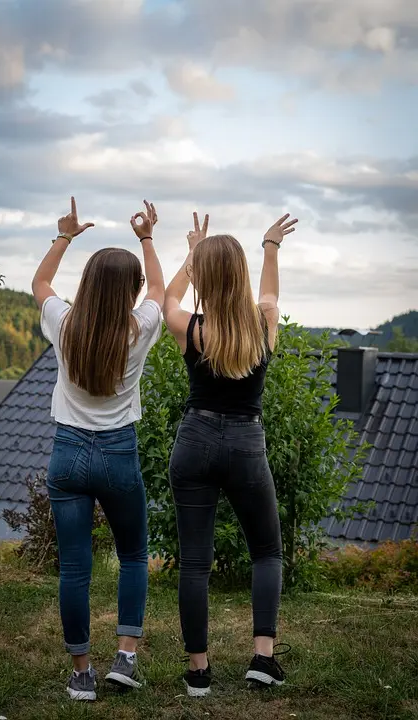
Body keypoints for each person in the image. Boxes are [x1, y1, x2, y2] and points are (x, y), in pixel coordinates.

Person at [32, 197, 164, 701]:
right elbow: (158, 288)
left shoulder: (65, 325)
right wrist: (147, 237)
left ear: (86, 285)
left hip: (67, 454)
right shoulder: (140, 328)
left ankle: (81, 673)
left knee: (74, 568)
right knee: (133, 555)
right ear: (129, 292)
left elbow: (40, 284)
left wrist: (63, 236)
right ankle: (125, 659)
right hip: (118, 454)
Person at [163, 211, 297, 697]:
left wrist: (192, 253)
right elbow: (270, 296)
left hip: (194, 441)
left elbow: (166, 299)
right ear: (237, 274)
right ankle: (263, 659)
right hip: (245, 443)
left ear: (206, 275)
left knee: (195, 563)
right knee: (266, 552)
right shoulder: (262, 325)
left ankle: (198, 672)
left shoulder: (190, 327)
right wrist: (270, 246)